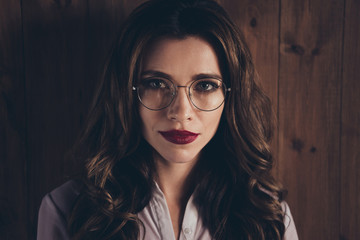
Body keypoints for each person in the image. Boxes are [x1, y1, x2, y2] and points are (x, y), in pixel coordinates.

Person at [37, 0, 298, 239]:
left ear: (231, 95)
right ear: (126, 93)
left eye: (205, 85)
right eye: (156, 83)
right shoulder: (68, 210)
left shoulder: (268, 218)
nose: (181, 111)